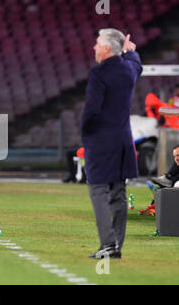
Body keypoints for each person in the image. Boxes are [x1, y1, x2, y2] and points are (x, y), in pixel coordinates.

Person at [81, 29, 141, 259]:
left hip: (101, 140)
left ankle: (107, 244)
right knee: (118, 192)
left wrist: (85, 132)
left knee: (97, 190)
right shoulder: (128, 70)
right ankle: (116, 246)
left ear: (107, 48)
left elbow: (92, 109)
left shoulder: (99, 73)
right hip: (124, 140)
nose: (94, 47)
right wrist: (128, 50)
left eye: (97, 43)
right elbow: (136, 62)